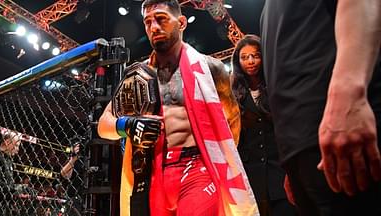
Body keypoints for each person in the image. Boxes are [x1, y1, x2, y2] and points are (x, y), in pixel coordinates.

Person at [98, 0, 259, 215]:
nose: (154, 27)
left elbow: (232, 124)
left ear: (181, 22)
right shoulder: (138, 76)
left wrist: (220, 163)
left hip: (198, 167)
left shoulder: (212, 68)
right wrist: (128, 124)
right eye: (148, 22)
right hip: (152, 171)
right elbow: (103, 125)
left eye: (161, 19)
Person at [261, 1, 381, 215]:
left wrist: (350, 94)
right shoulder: (268, 9)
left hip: (342, 132)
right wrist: (291, 163)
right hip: (304, 151)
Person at [230, 34, 296, 216]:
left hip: (281, 172)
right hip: (251, 178)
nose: (250, 61)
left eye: (255, 55)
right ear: (238, 61)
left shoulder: (277, 83)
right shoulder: (232, 93)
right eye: (244, 57)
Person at [0, 128, 22, 215]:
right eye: (16, 145)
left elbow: (8, 185)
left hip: (3, 205)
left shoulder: (8, 160)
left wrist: (20, 188)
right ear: (7, 142)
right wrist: (17, 188)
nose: (17, 149)